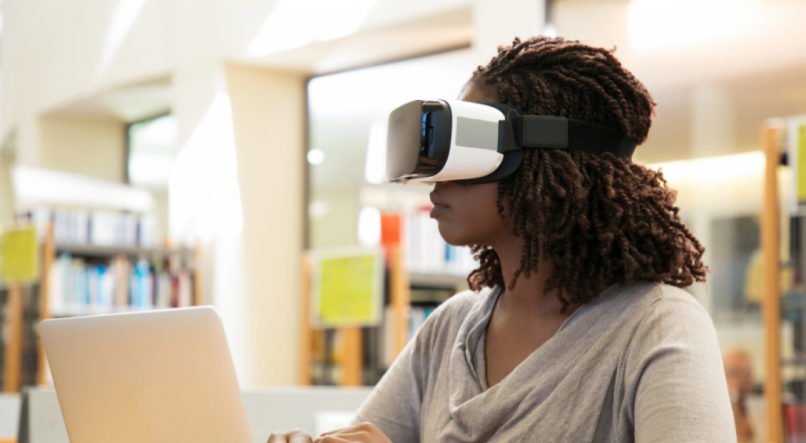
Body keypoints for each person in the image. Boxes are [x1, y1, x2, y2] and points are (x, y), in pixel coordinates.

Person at [269, 36, 735, 443]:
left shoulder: (656, 327)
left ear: (544, 159)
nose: (437, 182)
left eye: (461, 153)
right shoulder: (449, 329)